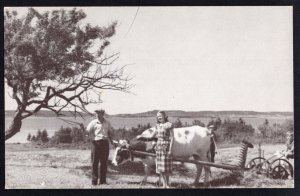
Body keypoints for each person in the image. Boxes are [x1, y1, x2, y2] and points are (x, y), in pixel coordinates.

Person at [136, 111, 174, 188]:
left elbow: (172, 138)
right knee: (161, 167)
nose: (159, 117)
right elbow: (151, 137)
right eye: (157, 116)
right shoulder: (157, 126)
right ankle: (164, 185)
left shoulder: (169, 125)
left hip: (166, 146)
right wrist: (141, 137)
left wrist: (170, 149)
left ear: (164, 116)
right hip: (159, 147)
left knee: (166, 167)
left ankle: (167, 184)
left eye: (160, 115)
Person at [86, 109, 114, 185]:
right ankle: (94, 181)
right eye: (96, 113)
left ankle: (103, 181)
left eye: (99, 113)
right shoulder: (93, 122)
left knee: (104, 163)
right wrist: (89, 137)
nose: (97, 115)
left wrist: (112, 142)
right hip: (96, 143)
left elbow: (110, 133)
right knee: (95, 162)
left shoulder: (107, 122)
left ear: (102, 114)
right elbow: (87, 132)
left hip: (105, 143)